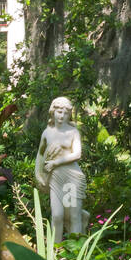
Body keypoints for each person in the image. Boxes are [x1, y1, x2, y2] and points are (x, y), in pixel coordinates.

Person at [35, 96, 86, 241]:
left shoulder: (72, 132)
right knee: (57, 215)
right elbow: (40, 154)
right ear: (53, 112)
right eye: (59, 112)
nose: (61, 116)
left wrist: (56, 162)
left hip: (71, 177)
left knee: (73, 216)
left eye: (65, 113)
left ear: (69, 114)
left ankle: (75, 253)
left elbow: (77, 154)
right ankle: (55, 253)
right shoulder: (47, 133)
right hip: (55, 178)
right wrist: (38, 174)